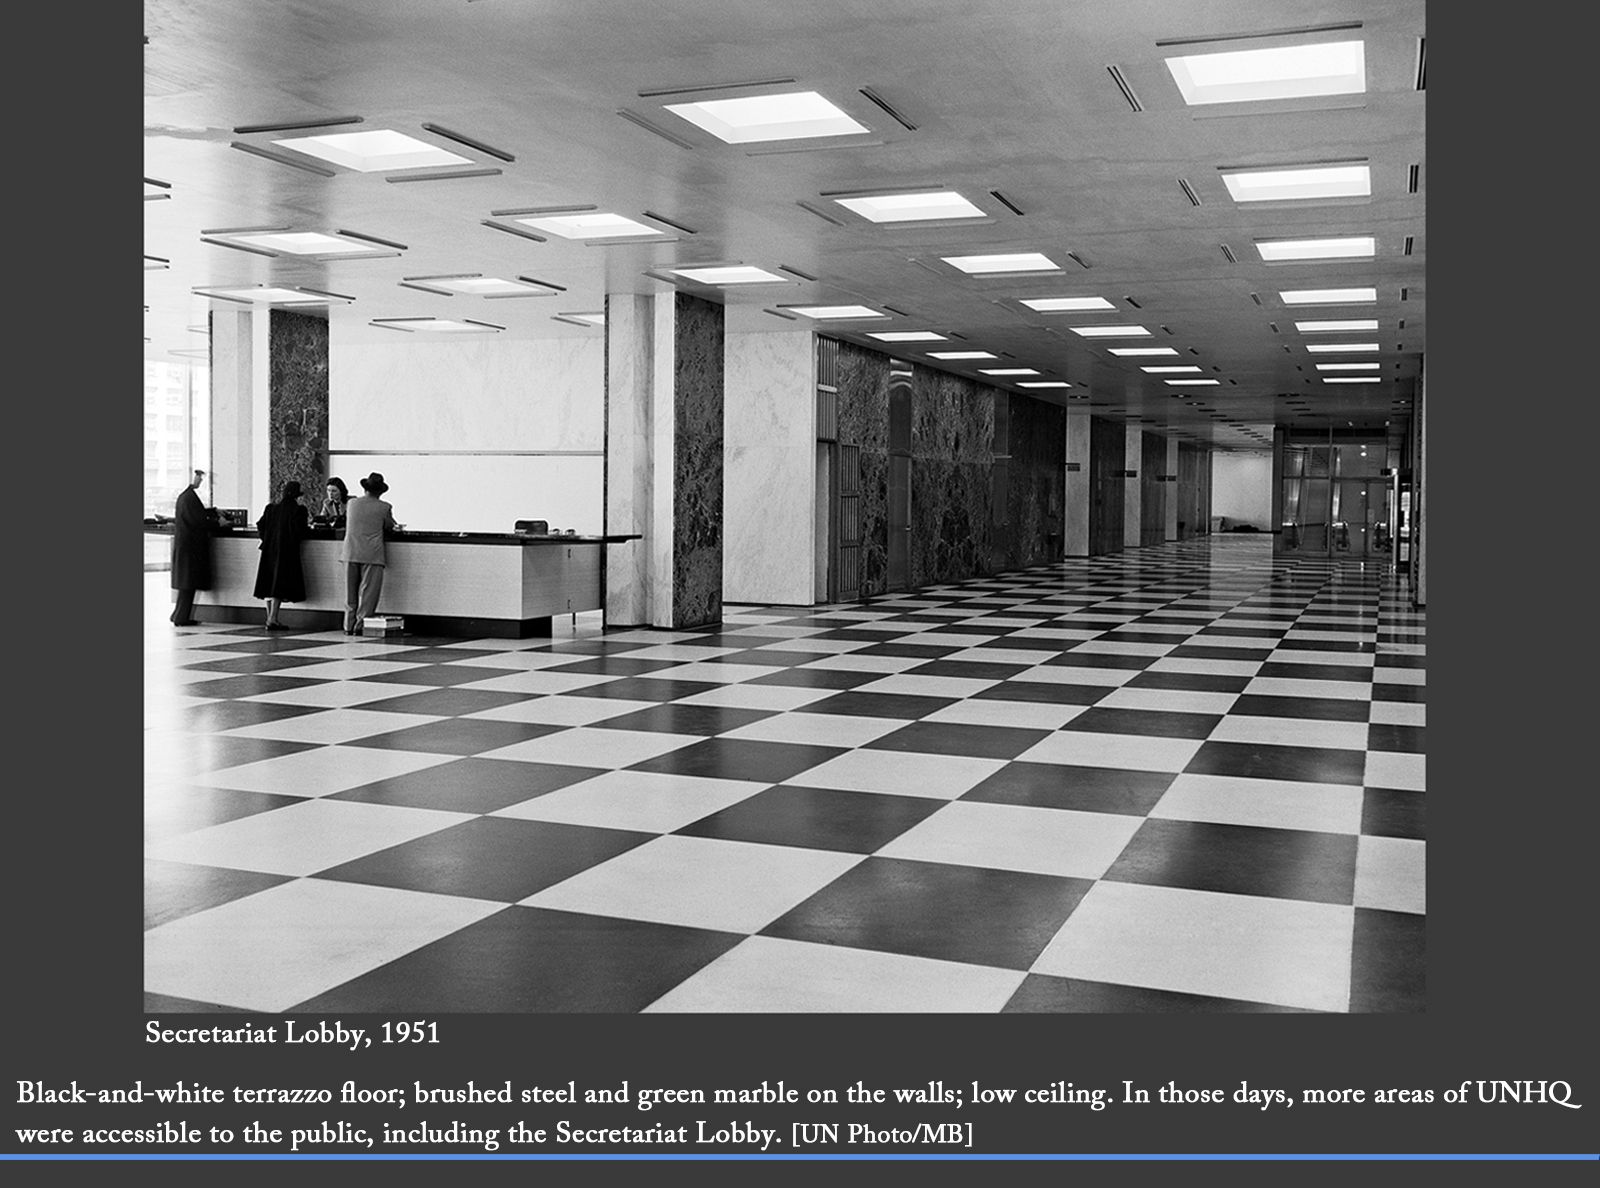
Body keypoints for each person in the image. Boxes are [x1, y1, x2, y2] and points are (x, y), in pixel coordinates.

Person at [339, 472, 397, 635]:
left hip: (350, 551)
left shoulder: (352, 503)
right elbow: (389, 526)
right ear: (381, 492)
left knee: (350, 592)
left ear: (365, 489)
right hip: (372, 554)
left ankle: (348, 625)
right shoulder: (384, 507)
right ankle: (361, 624)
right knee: (368, 592)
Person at [253, 480, 309, 631]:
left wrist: (267, 539)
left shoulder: (271, 508)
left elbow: (260, 525)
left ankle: (270, 617)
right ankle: (273, 619)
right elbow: (301, 532)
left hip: (269, 550)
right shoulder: (299, 510)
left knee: (269, 583)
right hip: (287, 551)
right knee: (279, 585)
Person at [169, 469, 211, 626]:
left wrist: (213, 511)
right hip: (191, 548)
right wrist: (217, 522)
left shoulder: (185, 497)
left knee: (185, 584)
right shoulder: (190, 497)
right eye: (198, 478)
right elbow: (199, 520)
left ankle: (178, 614)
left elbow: (195, 514)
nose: (200, 481)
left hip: (185, 547)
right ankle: (181, 617)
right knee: (188, 584)